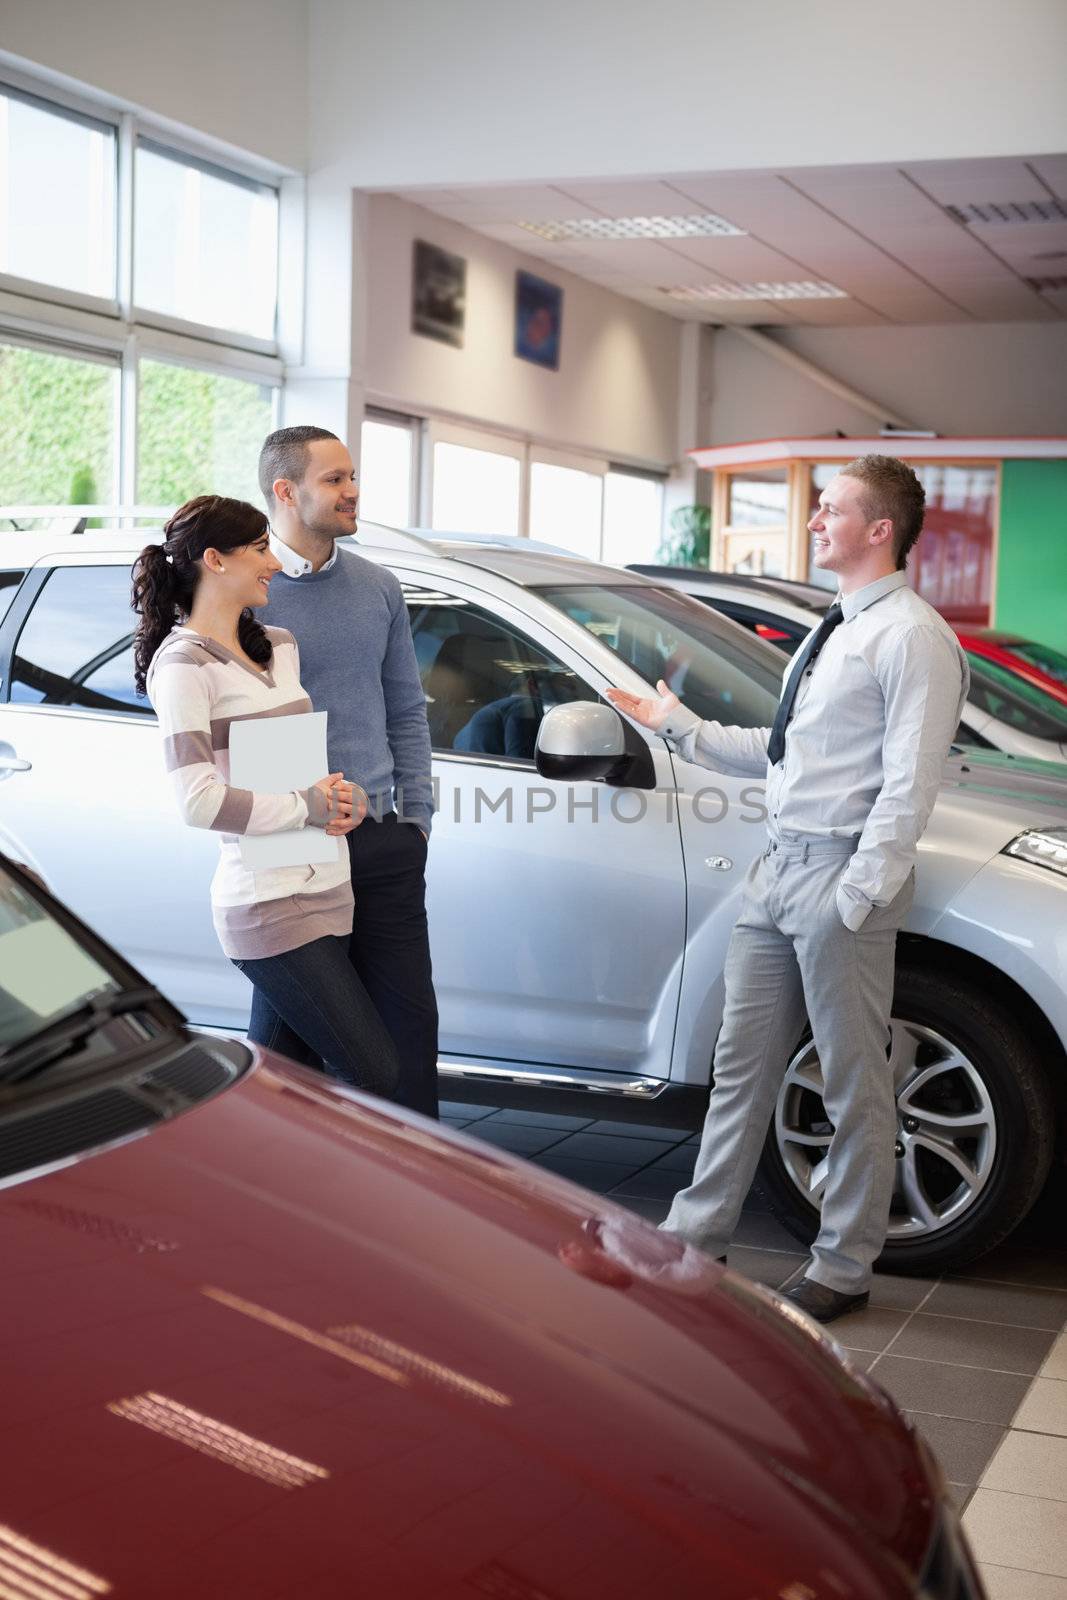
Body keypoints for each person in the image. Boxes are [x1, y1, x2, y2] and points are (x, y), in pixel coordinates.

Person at [607, 455, 968, 1324]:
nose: (812, 521)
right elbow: (783, 760)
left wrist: (858, 890)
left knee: (852, 1083)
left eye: (829, 509)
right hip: (777, 869)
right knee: (740, 1068)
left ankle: (842, 1266)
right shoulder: (834, 626)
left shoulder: (912, 636)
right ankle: (696, 1238)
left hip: (840, 876)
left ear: (878, 530)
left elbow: (908, 782)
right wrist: (680, 729)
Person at [132, 494, 399, 1100]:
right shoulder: (182, 667)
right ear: (214, 560)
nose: (274, 563)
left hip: (326, 883)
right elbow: (199, 801)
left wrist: (342, 796)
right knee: (373, 1072)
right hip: (267, 904)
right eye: (258, 549)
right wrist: (307, 806)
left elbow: (296, 772)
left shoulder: (278, 644)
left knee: (278, 1091)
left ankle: (231, 1191)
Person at [256, 426, 439, 1119]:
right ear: (285, 490)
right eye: (334, 479)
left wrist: (415, 820)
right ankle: (285, 1202)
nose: (352, 491)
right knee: (293, 1047)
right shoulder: (244, 589)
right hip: (291, 843)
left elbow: (406, 711)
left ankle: (422, 1198)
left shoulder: (378, 586)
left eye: (353, 476)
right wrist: (282, 823)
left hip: (384, 839)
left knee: (407, 1035)